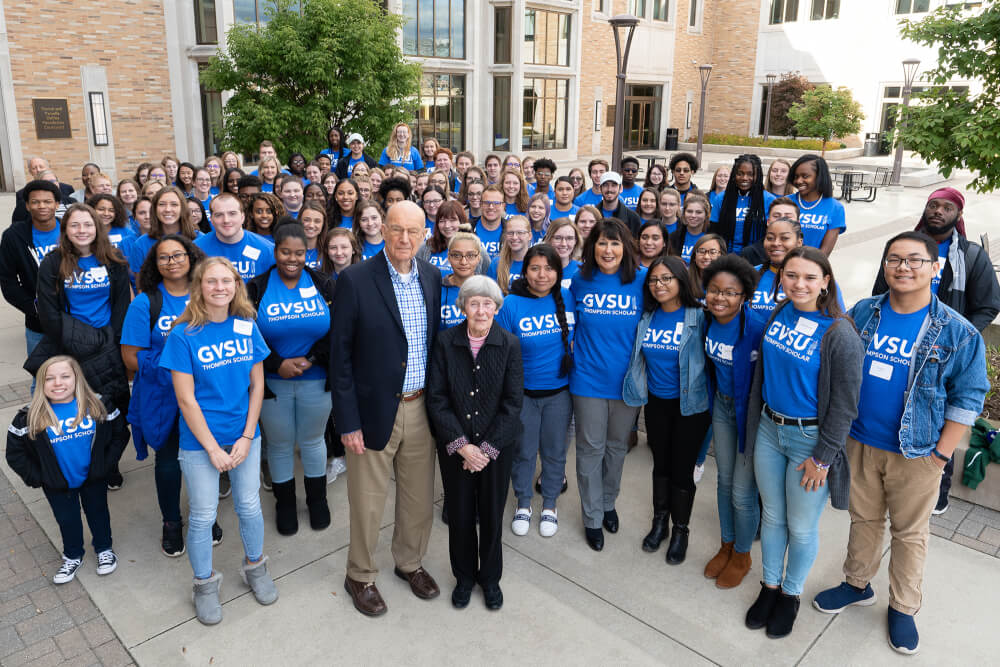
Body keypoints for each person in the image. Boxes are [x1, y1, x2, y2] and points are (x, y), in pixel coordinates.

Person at [813, 231, 989, 655]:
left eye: (914, 260)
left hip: (917, 452)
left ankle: (904, 606)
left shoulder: (958, 332)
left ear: (935, 268)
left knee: (910, 533)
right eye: (894, 259)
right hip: (860, 441)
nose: (903, 267)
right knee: (864, 520)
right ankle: (857, 584)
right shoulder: (864, 311)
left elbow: (969, 397)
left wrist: (940, 456)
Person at [330, 200, 443, 617]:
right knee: (368, 501)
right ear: (382, 230)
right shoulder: (356, 280)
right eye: (396, 229)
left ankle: (408, 563)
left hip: (420, 406)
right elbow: (339, 356)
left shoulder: (431, 276)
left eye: (413, 231)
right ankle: (359, 574)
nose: (404, 238)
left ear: (424, 234)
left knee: (418, 497)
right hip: (373, 410)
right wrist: (348, 421)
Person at [743, 247, 863, 639]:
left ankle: (791, 595)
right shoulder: (779, 313)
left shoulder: (840, 334)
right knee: (773, 516)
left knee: (801, 525)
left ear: (826, 281)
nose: (799, 284)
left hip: (809, 440)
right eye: (791, 275)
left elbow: (845, 406)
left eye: (810, 277)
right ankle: (770, 586)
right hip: (769, 429)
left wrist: (823, 457)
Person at [160, 257, 277, 625]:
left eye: (227, 281)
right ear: (199, 286)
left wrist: (246, 437)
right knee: (203, 516)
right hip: (200, 443)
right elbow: (185, 399)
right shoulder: (183, 335)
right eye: (212, 281)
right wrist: (212, 448)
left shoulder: (246, 325)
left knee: (248, 506)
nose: (220, 288)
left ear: (236, 285)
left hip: (244, 436)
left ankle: (255, 567)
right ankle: (204, 585)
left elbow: (258, 385)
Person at [874, 187, 1000, 514]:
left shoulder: (971, 255)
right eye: (933, 205)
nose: (938, 211)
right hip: (899, 345)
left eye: (947, 207)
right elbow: (878, 292)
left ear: (958, 214)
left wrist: (957, 338)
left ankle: (937, 492)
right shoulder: (902, 249)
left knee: (939, 419)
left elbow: (988, 305)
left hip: (943, 356)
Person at [426, 275, 523, 610]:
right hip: (457, 450)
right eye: (474, 303)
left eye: (487, 304)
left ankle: (490, 579)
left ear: (496, 308)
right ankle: (464, 578)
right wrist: (462, 445)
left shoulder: (509, 344)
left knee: (492, 515)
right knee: (461, 515)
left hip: (495, 450)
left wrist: (486, 450)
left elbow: (512, 404)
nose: (481, 310)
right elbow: (437, 399)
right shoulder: (445, 342)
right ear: (463, 307)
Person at [121, 235, 217, 556]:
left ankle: (206, 515)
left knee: (205, 459)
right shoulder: (146, 302)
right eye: (164, 257)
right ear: (155, 265)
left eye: (178, 255)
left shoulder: (209, 292)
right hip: (165, 398)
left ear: (191, 258)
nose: (172, 261)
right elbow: (131, 358)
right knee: (168, 464)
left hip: (207, 395)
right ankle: (172, 523)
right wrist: (175, 352)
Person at [6, 356, 128, 584]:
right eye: (49, 378)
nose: (58, 383)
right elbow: (15, 453)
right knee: (66, 519)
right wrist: (39, 477)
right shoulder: (29, 416)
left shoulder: (99, 406)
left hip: (93, 478)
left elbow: (120, 434)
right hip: (57, 484)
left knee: (98, 512)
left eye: (65, 376)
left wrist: (106, 465)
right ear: (41, 383)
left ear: (77, 378)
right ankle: (73, 555)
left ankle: (104, 549)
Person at [248, 223, 335, 536]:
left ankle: (317, 500)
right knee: (281, 444)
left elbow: (337, 331)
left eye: (299, 253)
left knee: (313, 440)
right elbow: (247, 334)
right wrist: (276, 363)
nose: (292, 259)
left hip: (317, 378)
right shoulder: (256, 288)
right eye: (286, 251)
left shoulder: (324, 283)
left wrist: (310, 359)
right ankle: (285, 503)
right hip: (272, 382)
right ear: (275, 251)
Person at [624, 256, 712, 562]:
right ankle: (659, 522)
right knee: (660, 464)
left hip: (691, 406)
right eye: (653, 280)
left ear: (681, 280)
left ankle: (681, 530)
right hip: (658, 403)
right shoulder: (648, 316)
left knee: (681, 470)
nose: (659, 285)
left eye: (666, 279)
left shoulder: (699, 316)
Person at [570, 218, 646, 551]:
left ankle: (607, 503)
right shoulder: (579, 281)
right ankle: (590, 516)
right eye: (602, 243)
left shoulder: (641, 281)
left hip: (627, 383)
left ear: (626, 247)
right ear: (592, 247)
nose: (608, 249)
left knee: (617, 448)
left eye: (615, 243)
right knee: (590, 449)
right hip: (587, 380)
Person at [497, 245, 574, 538]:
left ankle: (550, 504)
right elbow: (502, 355)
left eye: (549, 268)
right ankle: (524, 503)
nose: (542, 275)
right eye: (535, 268)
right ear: (525, 271)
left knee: (555, 452)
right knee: (524, 451)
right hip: (524, 395)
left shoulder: (567, 297)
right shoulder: (511, 304)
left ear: (558, 272)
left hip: (559, 393)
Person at [701, 255, 766, 590]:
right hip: (722, 410)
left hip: (750, 417)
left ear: (744, 297)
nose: (720, 298)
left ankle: (742, 554)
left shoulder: (757, 329)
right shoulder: (705, 320)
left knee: (743, 492)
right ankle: (726, 544)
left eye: (729, 292)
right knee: (723, 483)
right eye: (713, 290)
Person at [0, 180, 65, 358]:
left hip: (77, 319)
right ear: (27, 206)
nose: (41, 206)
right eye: (35, 202)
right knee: (42, 377)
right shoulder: (13, 236)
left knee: (80, 375)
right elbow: (8, 281)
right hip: (39, 326)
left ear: (57, 204)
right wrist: (34, 309)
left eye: (47, 201)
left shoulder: (71, 230)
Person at [195, 193, 275, 282]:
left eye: (232, 213)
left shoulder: (267, 250)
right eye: (219, 215)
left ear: (242, 217)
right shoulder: (196, 249)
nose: (226, 220)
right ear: (212, 220)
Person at [713, 154, 776, 255]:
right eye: (740, 173)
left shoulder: (769, 200)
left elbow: (772, 235)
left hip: (756, 257)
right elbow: (713, 232)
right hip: (726, 257)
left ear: (758, 175)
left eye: (750, 174)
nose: (744, 178)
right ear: (734, 175)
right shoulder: (721, 199)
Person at [750, 199, 804, 317]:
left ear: (799, 242)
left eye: (784, 238)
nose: (776, 243)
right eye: (770, 238)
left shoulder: (814, 279)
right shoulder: (749, 274)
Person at [789, 154, 845, 255]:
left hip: (813, 267)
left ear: (819, 176)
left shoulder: (835, 208)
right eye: (796, 177)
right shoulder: (785, 202)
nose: (798, 181)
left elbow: (824, 253)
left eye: (805, 176)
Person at [439, 232, 482, 330]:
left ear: (478, 258)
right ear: (449, 257)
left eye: (470, 255)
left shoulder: (490, 291)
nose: (463, 262)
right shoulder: (435, 291)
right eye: (457, 255)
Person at [488, 216, 530, 291]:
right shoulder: (496, 263)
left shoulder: (536, 263)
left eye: (520, 233)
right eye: (510, 233)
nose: (514, 237)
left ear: (529, 236)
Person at [669, 193, 711, 264]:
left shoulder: (713, 237)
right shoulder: (674, 237)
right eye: (689, 211)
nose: (693, 215)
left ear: (706, 214)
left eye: (698, 212)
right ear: (684, 213)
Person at [597, 172, 641, 237]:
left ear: (621, 188)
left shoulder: (633, 218)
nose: (609, 189)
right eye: (605, 185)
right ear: (600, 189)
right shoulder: (592, 215)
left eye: (614, 185)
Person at [543, 218, 582, 286]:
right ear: (549, 240)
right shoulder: (539, 270)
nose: (563, 244)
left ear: (575, 241)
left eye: (569, 238)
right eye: (558, 238)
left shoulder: (583, 270)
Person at [688, 234, 727, 300]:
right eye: (701, 251)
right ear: (694, 256)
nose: (706, 257)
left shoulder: (730, 282)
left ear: (721, 256)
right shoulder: (684, 280)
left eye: (712, 252)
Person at [477, 186, 506, 259]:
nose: (491, 207)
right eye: (487, 203)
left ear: (503, 206)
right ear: (480, 204)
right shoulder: (468, 229)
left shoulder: (512, 230)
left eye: (496, 203)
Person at [298, 202, 328, 268]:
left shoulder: (328, 250)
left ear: (323, 225)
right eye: (306, 220)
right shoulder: (290, 249)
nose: (311, 225)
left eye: (317, 221)